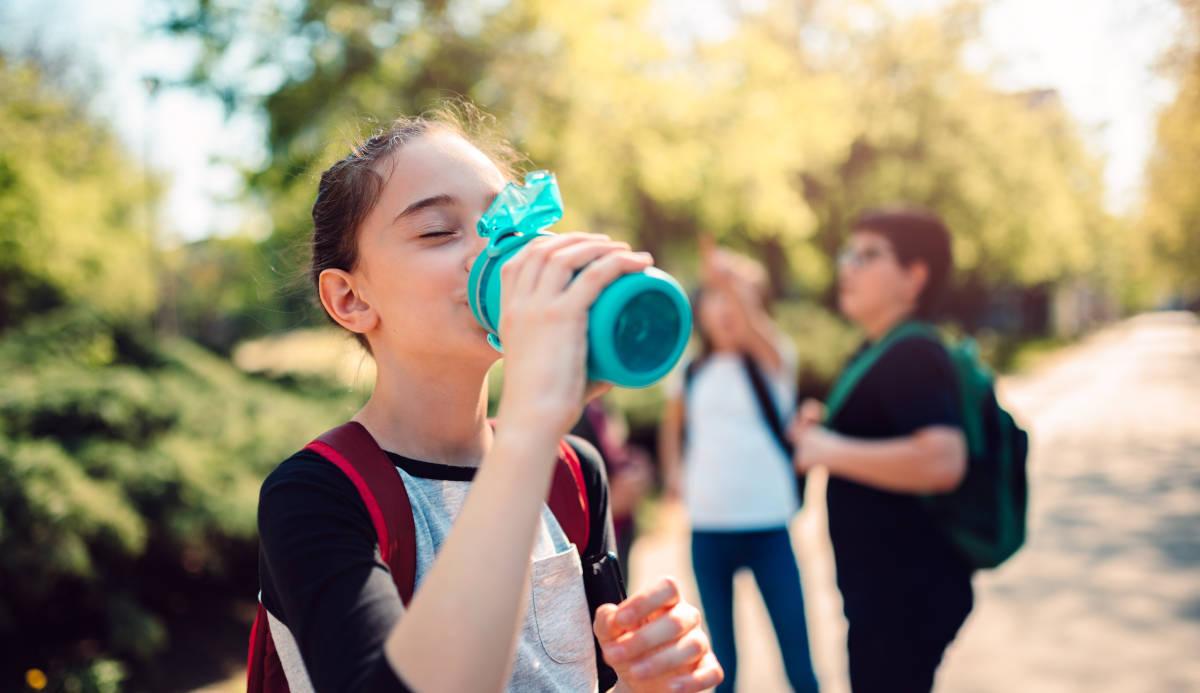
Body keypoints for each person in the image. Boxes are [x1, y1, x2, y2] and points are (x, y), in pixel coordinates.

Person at [254, 107, 723, 693]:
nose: (493, 252)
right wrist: (531, 424)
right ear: (350, 297)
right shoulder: (315, 496)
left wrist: (643, 683)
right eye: (437, 231)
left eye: (505, 224)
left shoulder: (571, 472)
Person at [789, 209, 971, 693]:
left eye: (869, 256)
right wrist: (825, 424)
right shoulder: (879, 349)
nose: (848, 266)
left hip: (904, 596)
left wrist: (827, 448)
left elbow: (943, 460)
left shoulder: (914, 353)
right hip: (884, 594)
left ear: (914, 277)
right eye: (849, 254)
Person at [659, 241, 819, 693]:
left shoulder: (773, 359)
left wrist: (728, 280)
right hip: (709, 529)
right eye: (717, 296)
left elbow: (752, 325)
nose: (727, 307)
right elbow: (675, 429)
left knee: (797, 658)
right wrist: (674, 473)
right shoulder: (690, 370)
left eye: (739, 297)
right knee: (721, 663)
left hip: (769, 526)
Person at [570, 397, 653, 573]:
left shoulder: (603, 408)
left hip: (619, 528)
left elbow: (616, 454)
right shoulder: (575, 414)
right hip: (596, 539)